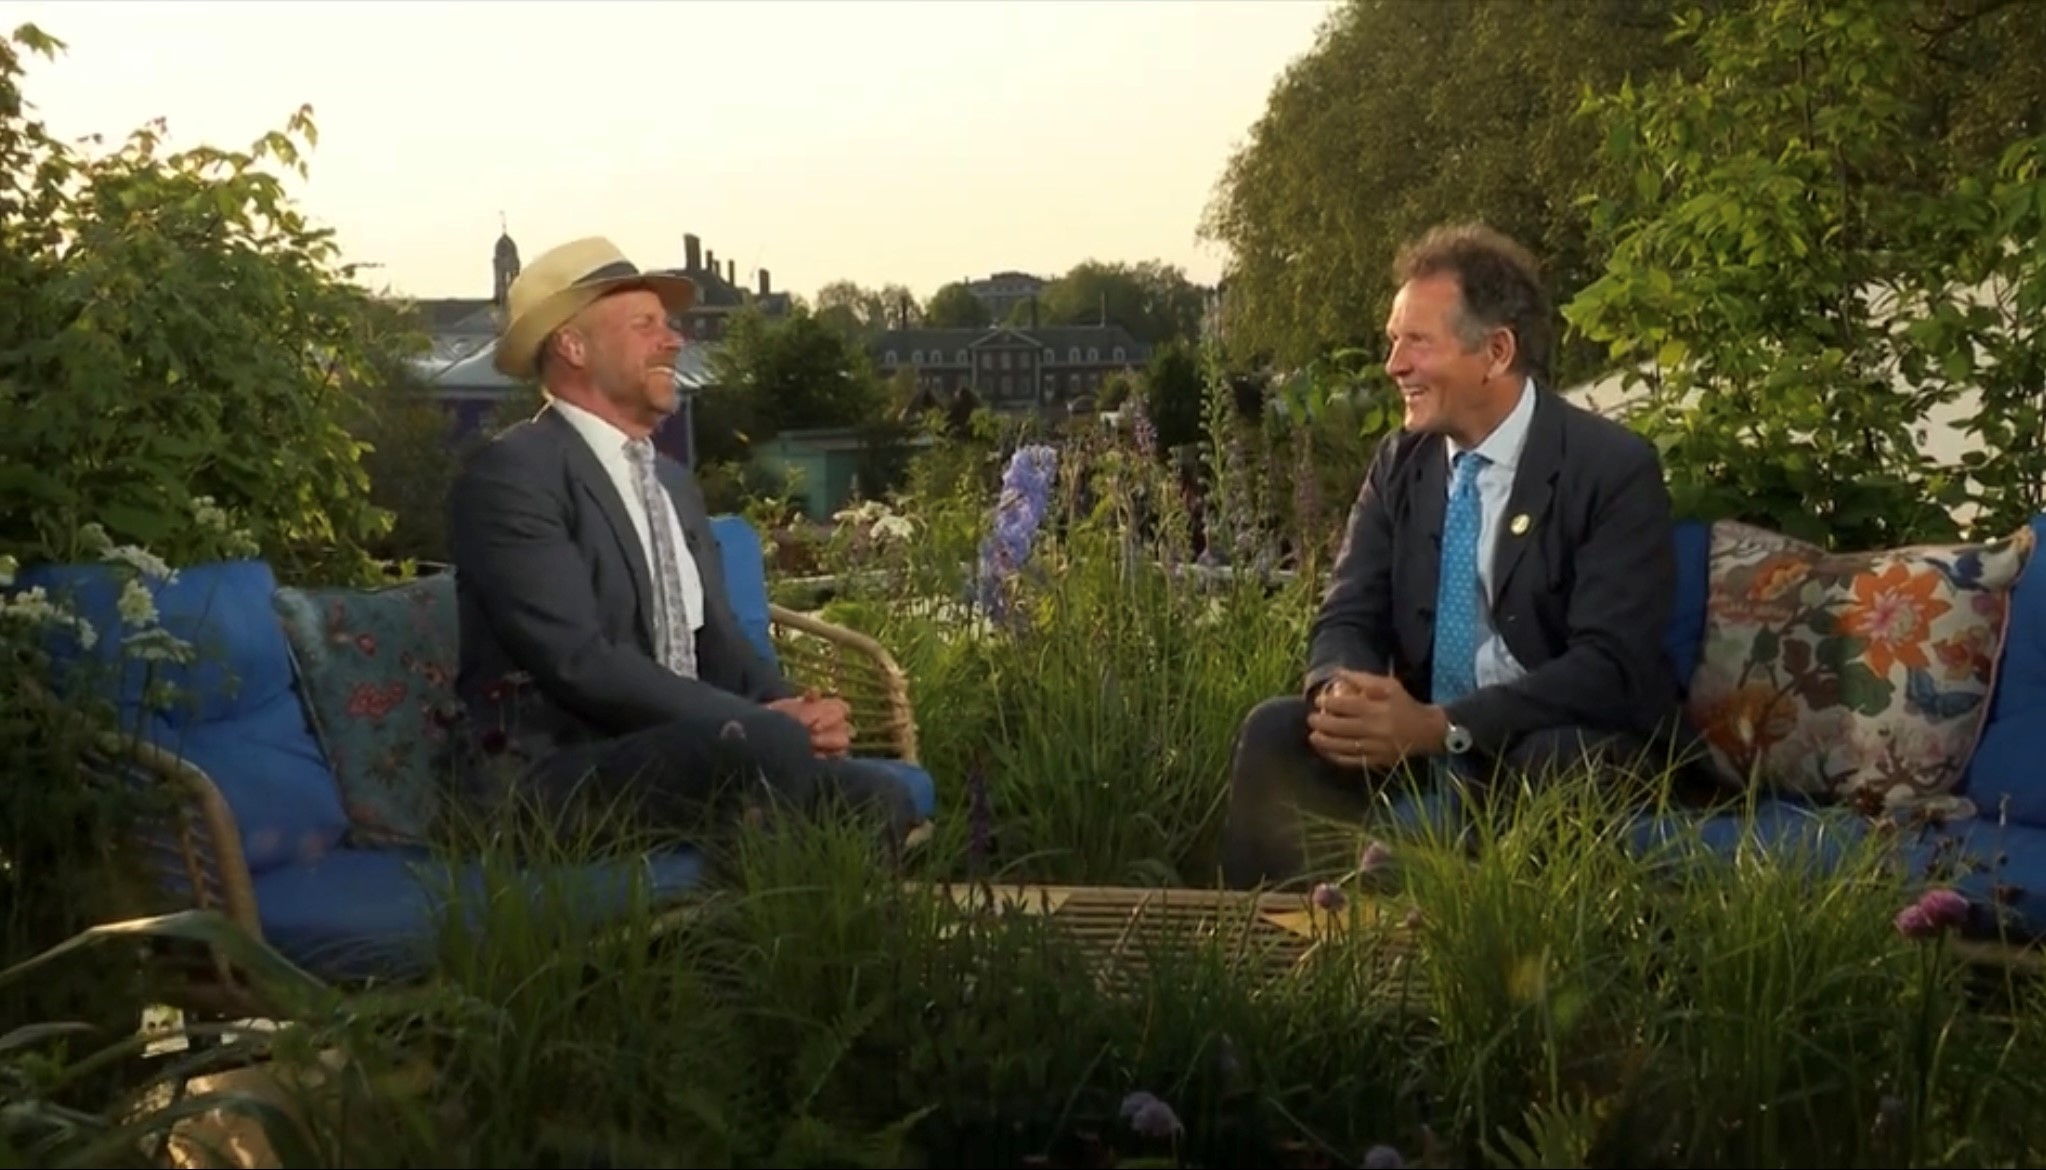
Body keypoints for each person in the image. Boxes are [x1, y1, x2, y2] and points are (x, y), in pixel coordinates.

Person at [1218, 223, 1690, 888]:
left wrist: (1445, 727)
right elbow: (1348, 613)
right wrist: (1344, 694)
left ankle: (1492, 980)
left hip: (1562, 734)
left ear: (1495, 352)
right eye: (1392, 342)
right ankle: (1275, 956)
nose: (1393, 366)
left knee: (1557, 760)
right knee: (1280, 731)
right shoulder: (1400, 462)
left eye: (1417, 342)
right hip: (1420, 733)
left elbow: (1609, 666)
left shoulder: (1611, 468)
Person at [447, 236, 917, 853]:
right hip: (550, 778)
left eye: (668, 325)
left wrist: (795, 705)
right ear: (573, 345)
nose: (674, 340)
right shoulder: (512, 475)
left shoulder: (671, 482)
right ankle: (735, 940)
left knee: (884, 796)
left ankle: (809, 948)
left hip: (692, 755)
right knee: (771, 747)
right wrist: (758, 726)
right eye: (646, 325)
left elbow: (718, 645)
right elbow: (580, 661)